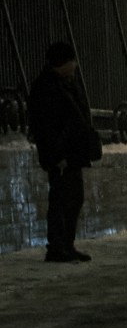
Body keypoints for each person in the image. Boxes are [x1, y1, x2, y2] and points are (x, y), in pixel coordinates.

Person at [26, 40, 100, 262]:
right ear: (62, 62)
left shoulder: (66, 83)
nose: (75, 65)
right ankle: (57, 247)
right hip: (61, 156)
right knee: (61, 200)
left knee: (74, 198)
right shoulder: (47, 86)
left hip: (73, 154)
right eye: (72, 61)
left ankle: (67, 244)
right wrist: (56, 156)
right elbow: (46, 127)